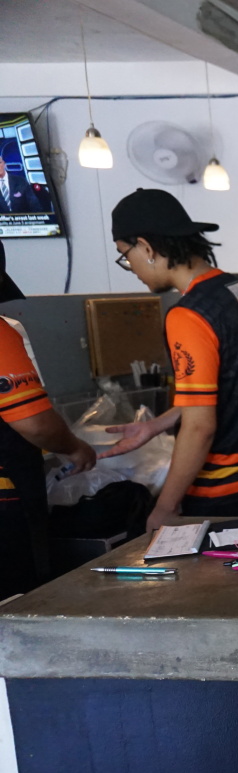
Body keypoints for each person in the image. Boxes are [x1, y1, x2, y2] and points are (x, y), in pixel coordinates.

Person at [99, 189, 238, 529]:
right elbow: (227, 384)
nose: (132, 268)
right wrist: (156, 425)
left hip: (223, 494)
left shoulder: (187, 315)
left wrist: (165, 508)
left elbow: (200, 427)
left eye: (125, 256)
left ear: (147, 247)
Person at [0, 240, 97, 597]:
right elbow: (35, 423)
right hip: (6, 500)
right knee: (16, 606)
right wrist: (74, 448)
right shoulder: (1, 333)